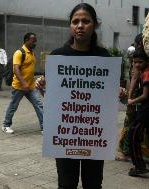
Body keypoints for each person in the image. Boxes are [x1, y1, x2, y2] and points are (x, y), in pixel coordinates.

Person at [36, 3, 110, 188]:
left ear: (95, 25)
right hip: (66, 135)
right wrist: (42, 86)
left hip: (93, 135)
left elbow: (109, 95)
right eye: (75, 21)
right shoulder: (58, 57)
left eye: (86, 21)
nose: (80, 25)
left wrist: (119, 92)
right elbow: (54, 96)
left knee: (93, 183)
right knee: (66, 183)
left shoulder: (105, 58)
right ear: (70, 25)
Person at [2, 32, 43, 134]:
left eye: (35, 41)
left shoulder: (32, 52)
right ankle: (6, 125)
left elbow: (29, 69)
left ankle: (44, 127)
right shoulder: (19, 53)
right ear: (26, 41)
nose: (35, 43)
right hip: (19, 86)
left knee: (39, 104)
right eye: (33, 41)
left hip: (31, 86)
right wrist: (24, 83)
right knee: (13, 106)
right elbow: (16, 69)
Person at [127, 48, 149, 177]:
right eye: (135, 62)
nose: (137, 65)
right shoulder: (143, 72)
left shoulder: (146, 74)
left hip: (146, 111)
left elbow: (145, 96)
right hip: (145, 110)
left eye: (140, 62)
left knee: (133, 135)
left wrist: (132, 101)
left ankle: (139, 167)